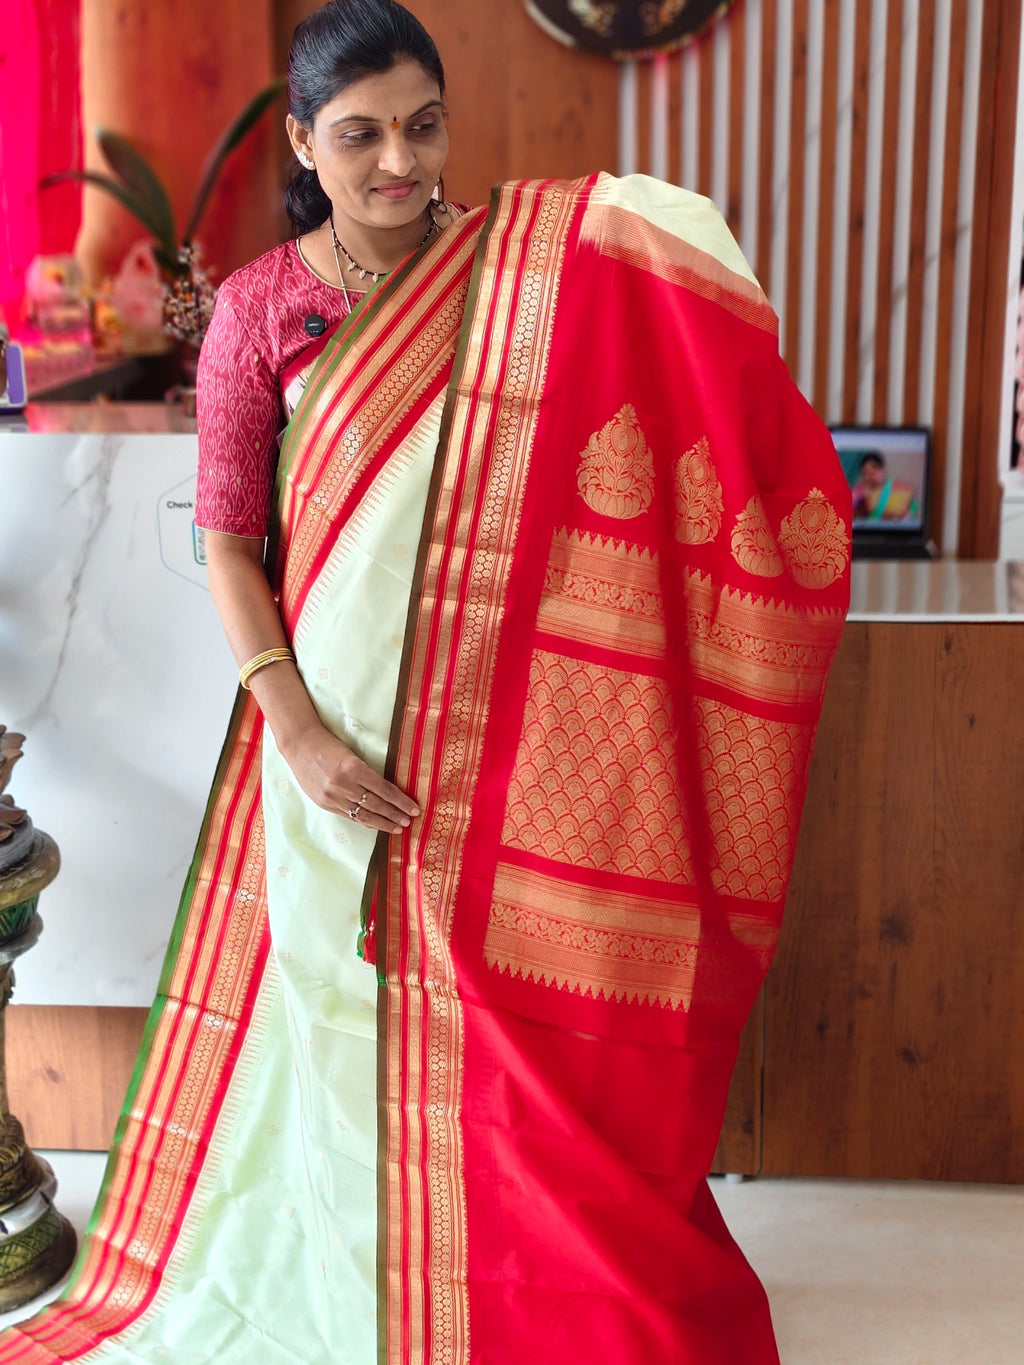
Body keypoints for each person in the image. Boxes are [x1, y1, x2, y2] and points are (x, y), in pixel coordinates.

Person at [0, 3, 851, 1362]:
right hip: (337, 735)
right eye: (360, 135)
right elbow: (229, 546)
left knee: (515, 1037)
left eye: (423, 125)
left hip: (509, 728)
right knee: (350, 1013)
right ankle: (374, 1298)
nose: (399, 161)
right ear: (303, 141)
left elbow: (658, 390)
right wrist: (300, 732)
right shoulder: (260, 313)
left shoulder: (529, 274)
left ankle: (511, 1296)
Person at [851, 449, 920, 522]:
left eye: (872, 473)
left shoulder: (898, 488)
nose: (868, 477)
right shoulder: (859, 491)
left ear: (882, 470)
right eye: (865, 474)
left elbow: (911, 508)